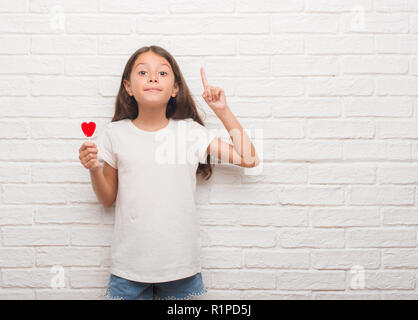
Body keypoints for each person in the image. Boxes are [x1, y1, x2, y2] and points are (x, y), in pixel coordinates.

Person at [78, 45, 260, 300]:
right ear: (128, 87)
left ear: (175, 89)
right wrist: (94, 169)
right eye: (143, 72)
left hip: (180, 266)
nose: (153, 77)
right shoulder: (115, 133)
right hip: (128, 267)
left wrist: (222, 111)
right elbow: (107, 198)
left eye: (162, 73)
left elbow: (249, 158)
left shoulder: (189, 132)